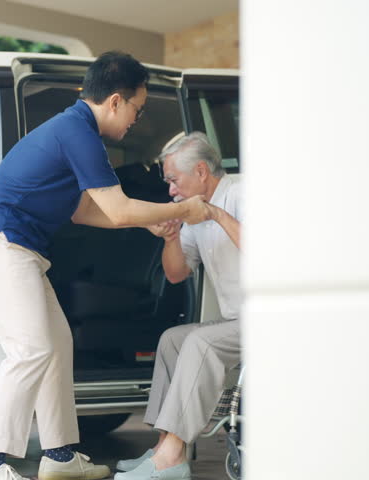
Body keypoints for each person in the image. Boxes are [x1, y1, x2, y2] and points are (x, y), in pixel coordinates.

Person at [0, 52, 212, 480]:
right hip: (3, 243)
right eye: (137, 108)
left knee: (57, 344)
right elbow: (118, 210)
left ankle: (60, 457)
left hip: (20, 248)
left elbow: (83, 210)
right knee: (30, 350)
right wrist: (184, 209)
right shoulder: (78, 133)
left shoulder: (75, 129)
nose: (136, 119)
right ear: (115, 101)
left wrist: (148, 224)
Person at [115, 132, 242, 480]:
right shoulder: (193, 215)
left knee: (200, 342)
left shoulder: (241, 195)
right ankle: (166, 449)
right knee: (173, 339)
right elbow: (175, 274)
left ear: (201, 171)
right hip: (235, 321)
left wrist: (215, 214)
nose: (170, 191)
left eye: (174, 180)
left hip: (266, 319)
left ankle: (171, 458)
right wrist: (171, 237)